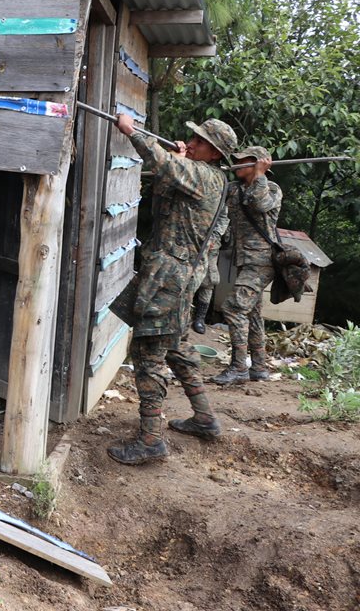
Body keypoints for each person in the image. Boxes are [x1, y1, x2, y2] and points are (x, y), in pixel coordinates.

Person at [107, 115, 236, 465]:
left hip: (170, 278)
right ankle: (205, 418)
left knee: (148, 352)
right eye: (192, 137)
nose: (190, 142)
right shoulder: (200, 175)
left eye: (200, 142)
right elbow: (165, 195)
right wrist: (180, 159)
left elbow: (161, 163)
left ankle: (151, 439)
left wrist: (131, 132)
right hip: (176, 275)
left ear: (214, 154)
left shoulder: (207, 178)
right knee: (177, 347)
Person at [213, 145, 281, 385]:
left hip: (262, 261)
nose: (237, 163)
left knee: (233, 307)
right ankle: (259, 368)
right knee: (252, 314)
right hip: (245, 261)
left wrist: (260, 175)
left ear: (257, 164)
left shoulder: (271, 188)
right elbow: (214, 191)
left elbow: (260, 204)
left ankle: (239, 368)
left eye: (243, 160)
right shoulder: (235, 189)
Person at [190, 213, 230, 334]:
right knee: (186, 277)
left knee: (209, 280)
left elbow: (224, 216)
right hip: (189, 240)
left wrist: (214, 236)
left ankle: (200, 318)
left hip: (211, 244)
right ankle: (183, 316)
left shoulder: (220, 195)